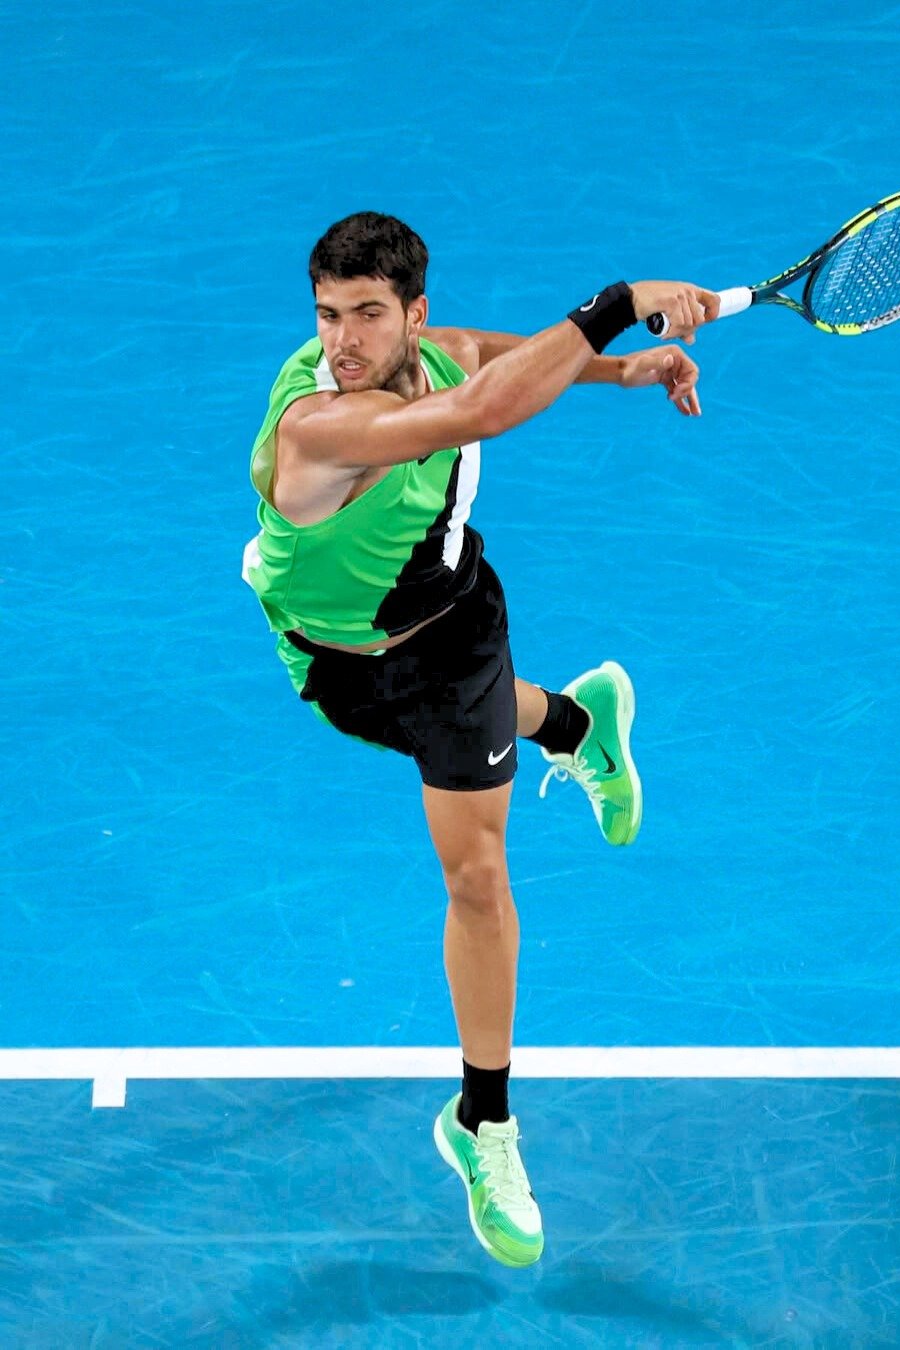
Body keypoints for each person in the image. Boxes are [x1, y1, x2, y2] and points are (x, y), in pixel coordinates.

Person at [243, 212, 719, 1268]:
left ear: (408, 311)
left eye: (368, 315)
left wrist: (623, 373)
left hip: (454, 631)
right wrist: (617, 301)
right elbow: (487, 406)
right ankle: (580, 723)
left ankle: (481, 1120)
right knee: (457, 737)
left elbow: (481, 357)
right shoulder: (317, 426)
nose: (345, 341)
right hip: (333, 658)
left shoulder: (429, 349)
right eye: (327, 316)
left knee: (474, 871)